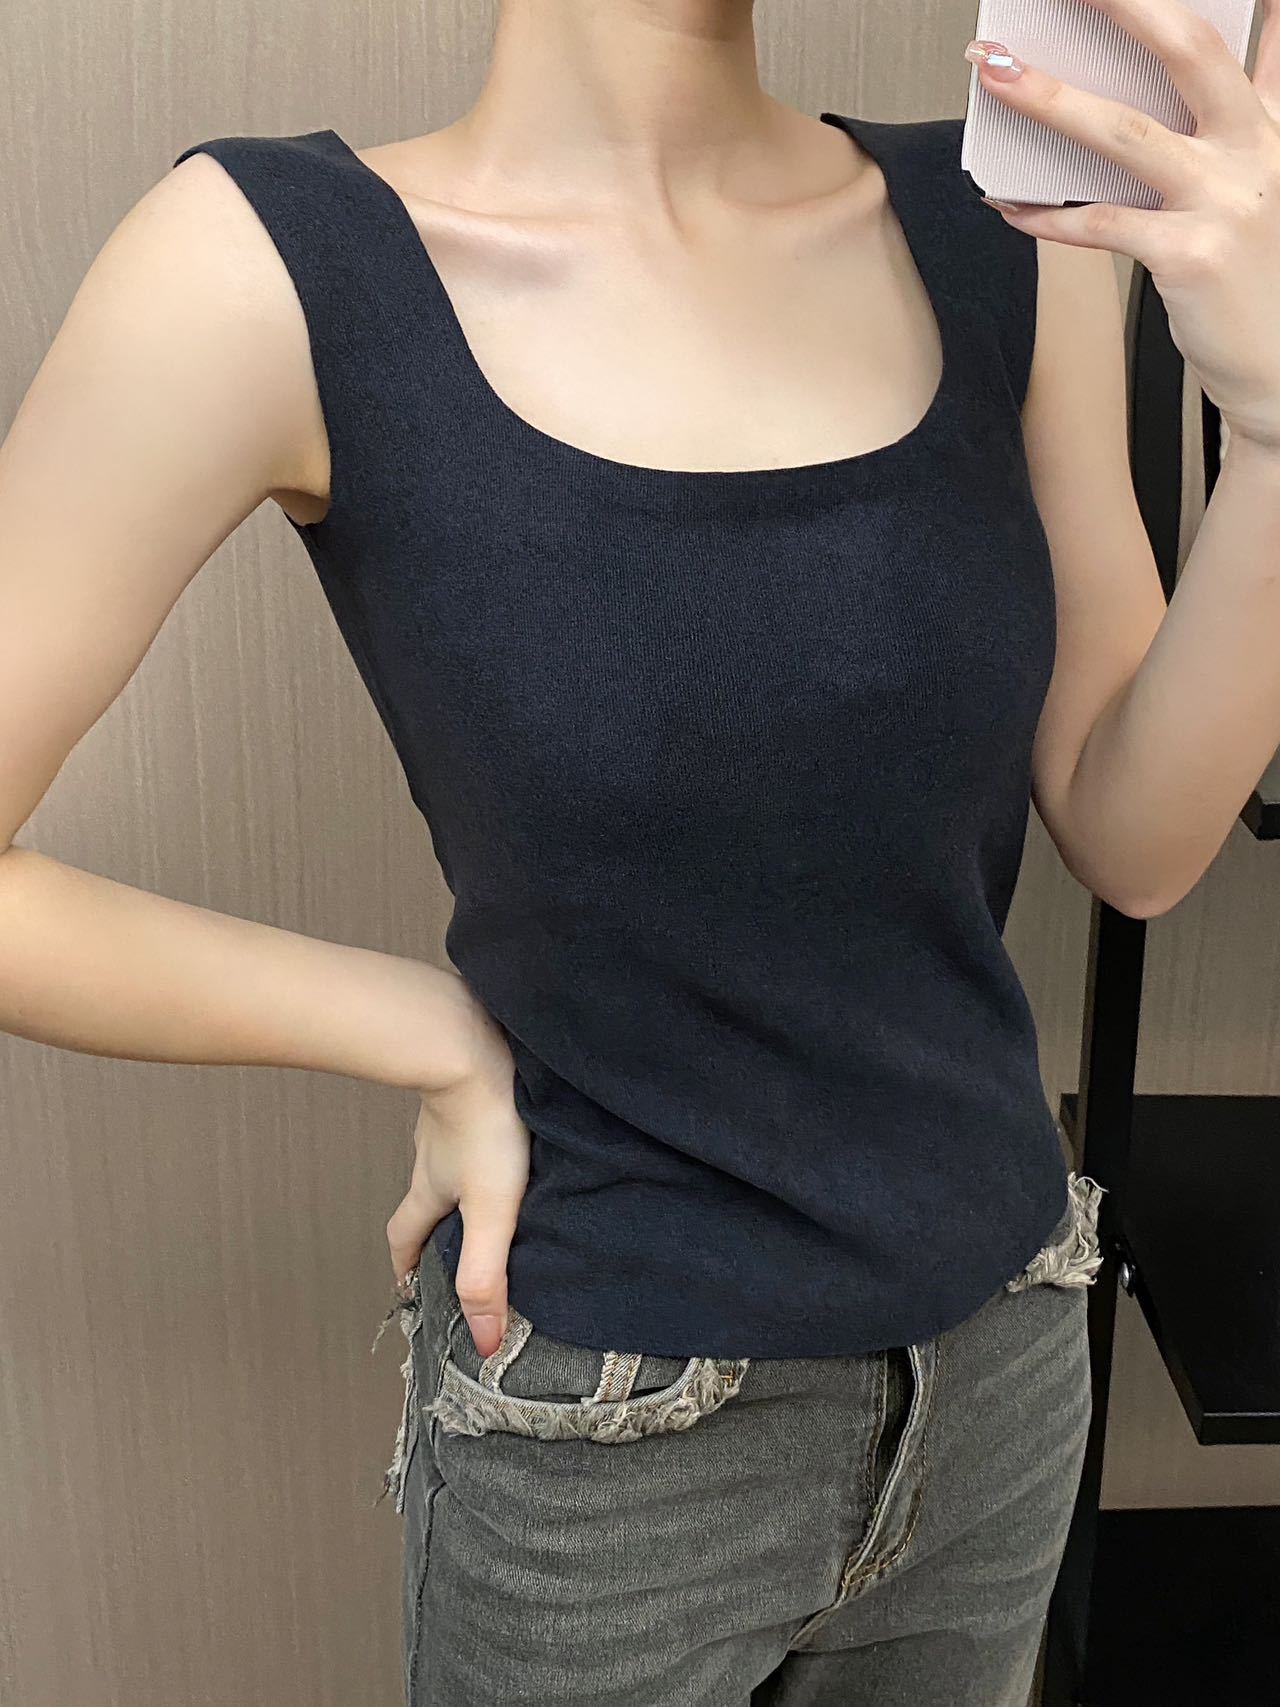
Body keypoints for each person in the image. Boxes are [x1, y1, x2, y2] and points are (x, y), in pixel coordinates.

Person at [4, 0, 1280, 1702]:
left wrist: (1277, 434)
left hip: (1007, 1353)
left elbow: (1138, 839)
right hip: (611, 1437)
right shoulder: (270, 265)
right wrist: (417, 1024)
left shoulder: (1008, 236)